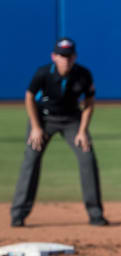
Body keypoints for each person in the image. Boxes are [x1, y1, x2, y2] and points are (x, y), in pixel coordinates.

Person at [10, 37, 109, 228]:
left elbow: (88, 103)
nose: (66, 60)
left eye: (69, 56)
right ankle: (18, 214)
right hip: (44, 119)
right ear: (54, 56)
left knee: (87, 158)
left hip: (72, 120)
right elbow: (29, 97)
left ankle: (95, 214)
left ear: (75, 57)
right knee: (31, 160)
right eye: (62, 56)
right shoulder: (43, 73)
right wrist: (36, 127)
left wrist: (82, 131)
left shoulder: (83, 74)